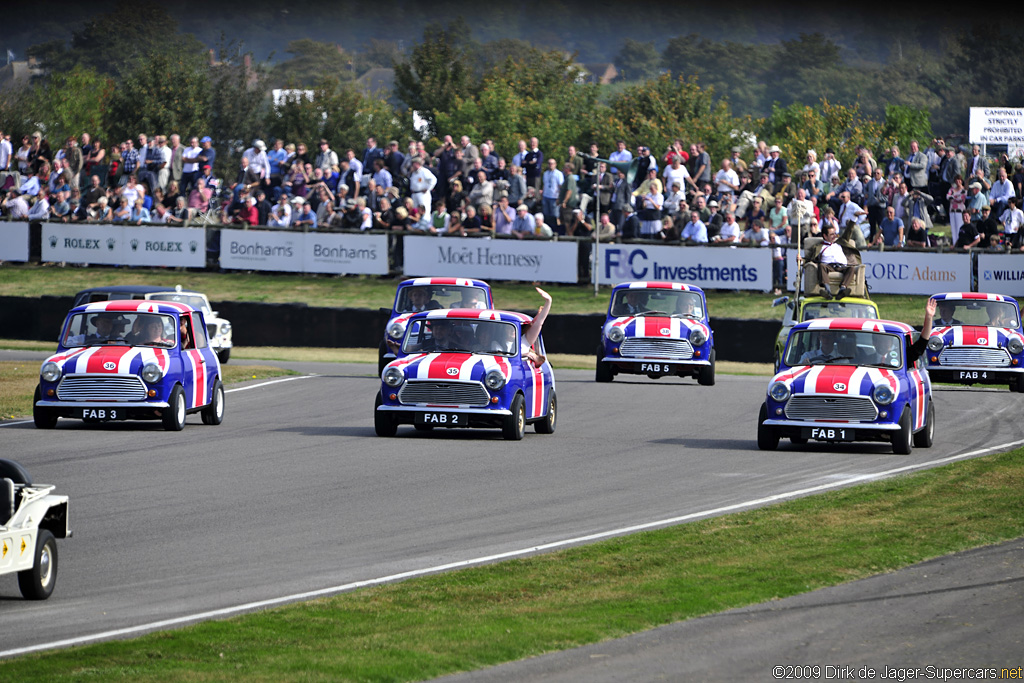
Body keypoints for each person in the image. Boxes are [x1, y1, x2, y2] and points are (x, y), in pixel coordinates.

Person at [804, 222, 860, 299]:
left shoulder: (840, 243)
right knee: (822, 266)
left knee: (851, 268)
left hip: (842, 266)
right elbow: (809, 258)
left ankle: (842, 290)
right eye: (832, 234)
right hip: (828, 266)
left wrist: (854, 218)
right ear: (825, 236)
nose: (835, 236)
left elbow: (848, 231)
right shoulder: (819, 247)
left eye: (835, 233)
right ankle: (827, 291)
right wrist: (801, 260)